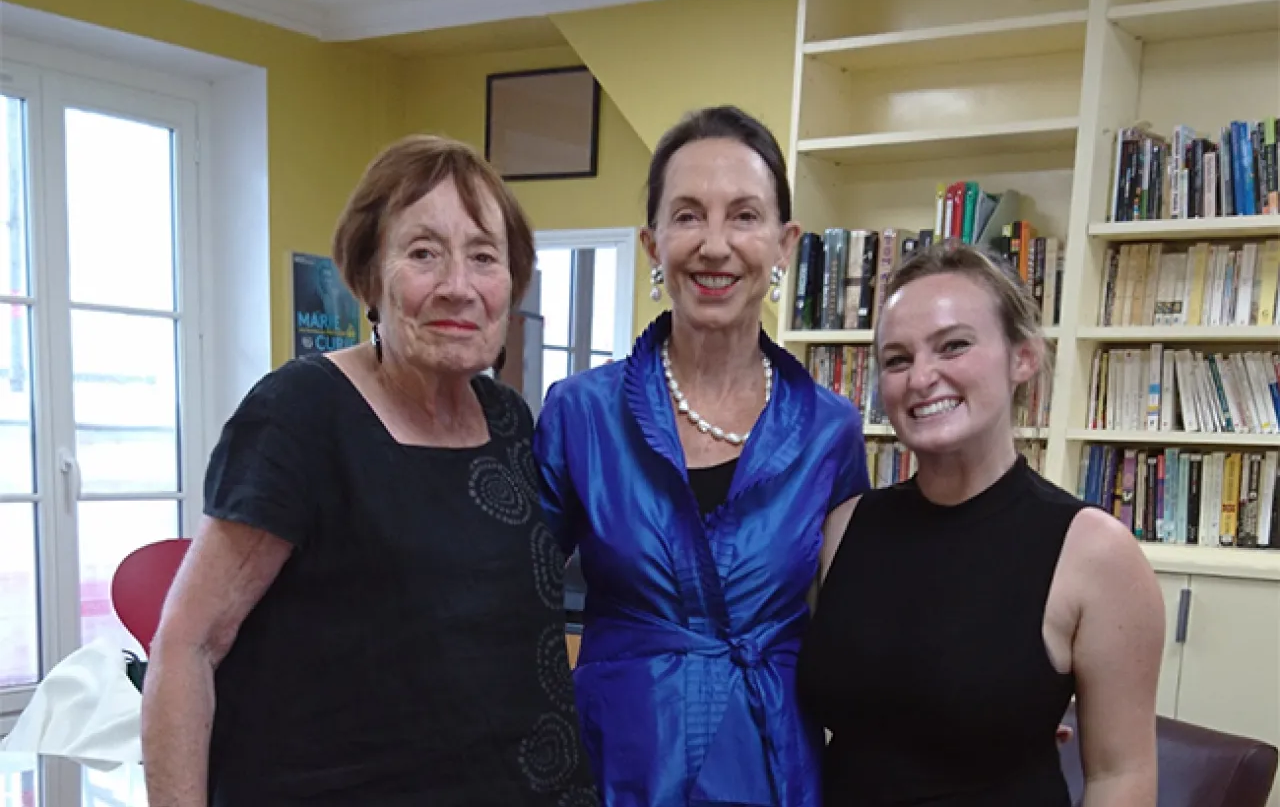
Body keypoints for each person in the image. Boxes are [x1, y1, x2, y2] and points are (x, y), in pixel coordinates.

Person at [140, 135, 596, 807]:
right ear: (369, 276)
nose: (458, 286)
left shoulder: (508, 420)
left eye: (483, 256)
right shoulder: (302, 413)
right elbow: (188, 647)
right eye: (423, 253)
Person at [533, 105, 871, 806]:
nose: (715, 245)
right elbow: (509, 598)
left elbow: (866, 621)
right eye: (687, 216)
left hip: (774, 767)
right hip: (616, 767)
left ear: (784, 245)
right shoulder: (581, 413)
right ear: (651, 244)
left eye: (744, 216)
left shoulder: (830, 430)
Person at [796, 241, 1164, 806]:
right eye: (897, 359)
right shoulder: (844, 528)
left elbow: (1123, 776)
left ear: (1022, 357)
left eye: (954, 347)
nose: (921, 377)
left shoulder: (1094, 552)